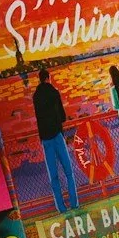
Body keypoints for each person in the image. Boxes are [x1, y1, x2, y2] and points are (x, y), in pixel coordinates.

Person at [31, 67, 82, 211]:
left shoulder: (35, 96)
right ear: (48, 78)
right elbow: (62, 116)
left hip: (46, 139)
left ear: (40, 79)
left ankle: (61, 207)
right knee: (68, 172)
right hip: (57, 136)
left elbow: (38, 117)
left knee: (53, 176)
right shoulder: (54, 92)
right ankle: (74, 203)